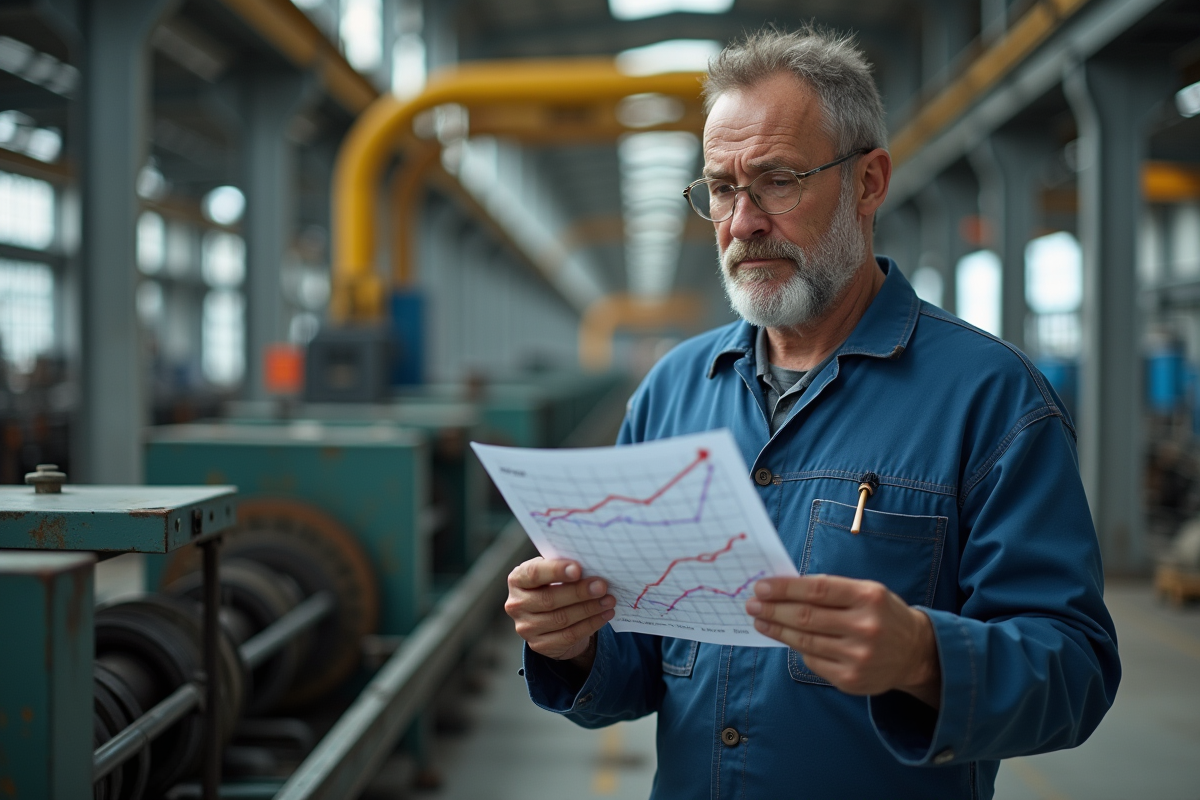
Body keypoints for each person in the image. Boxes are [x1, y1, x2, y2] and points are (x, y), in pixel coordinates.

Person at [504, 26, 1119, 799]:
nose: (743, 221)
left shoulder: (992, 400)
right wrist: (577, 642)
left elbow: (1075, 670)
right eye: (722, 188)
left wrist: (925, 657)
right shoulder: (673, 392)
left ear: (869, 182)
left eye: (778, 180)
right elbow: (641, 669)